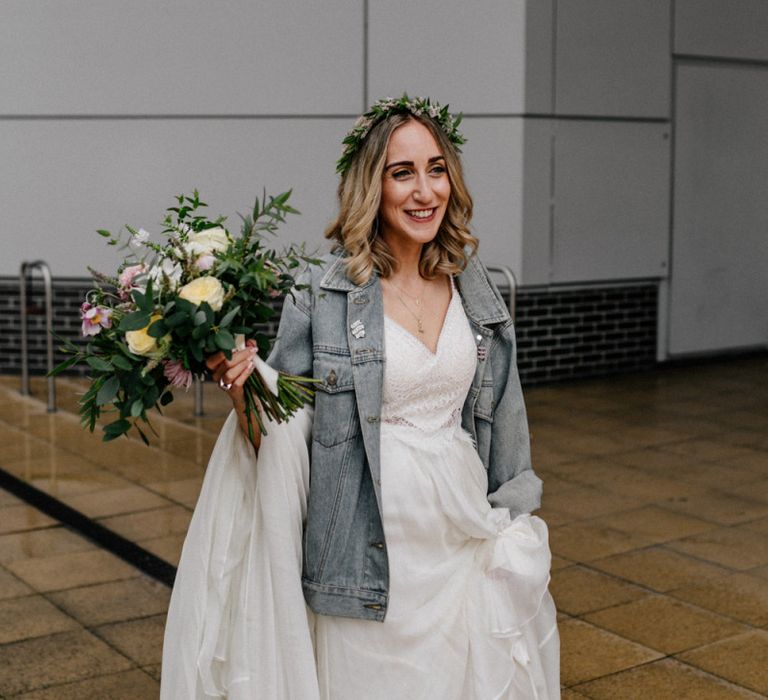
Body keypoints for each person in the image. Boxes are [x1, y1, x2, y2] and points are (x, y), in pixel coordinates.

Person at [161, 96, 559, 699]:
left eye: (436, 168)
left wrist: (515, 519)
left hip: (460, 538)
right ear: (372, 186)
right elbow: (282, 431)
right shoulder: (324, 295)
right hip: (365, 548)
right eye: (403, 173)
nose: (425, 191)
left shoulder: (471, 283)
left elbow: (504, 414)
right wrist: (246, 383)